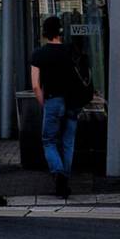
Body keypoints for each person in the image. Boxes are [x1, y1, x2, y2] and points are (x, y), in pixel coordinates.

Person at [29, 17, 85, 198]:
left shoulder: (39, 54)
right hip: (72, 102)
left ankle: (58, 172)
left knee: (49, 141)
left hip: (53, 100)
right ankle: (64, 180)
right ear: (60, 31)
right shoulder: (71, 50)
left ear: (45, 32)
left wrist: (44, 103)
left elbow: (35, 85)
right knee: (68, 142)